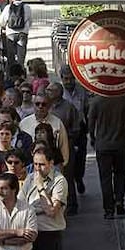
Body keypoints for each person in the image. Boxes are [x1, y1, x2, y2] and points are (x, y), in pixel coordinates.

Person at [88, 94, 125, 219]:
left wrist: (93, 139)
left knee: (105, 178)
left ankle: (109, 209)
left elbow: (91, 124)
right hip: (119, 144)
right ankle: (119, 200)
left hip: (103, 145)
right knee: (120, 174)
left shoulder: (96, 101)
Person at [46, 81, 81, 215]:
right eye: (47, 90)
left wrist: (65, 136)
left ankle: (72, 204)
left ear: (58, 93)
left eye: (51, 90)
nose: (48, 92)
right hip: (48, 149)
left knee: (67, 175)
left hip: (65, 146)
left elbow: (76, 128)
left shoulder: (69, 108)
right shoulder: (46, 107)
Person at [19, 92, 69, 167]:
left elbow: (63, 147)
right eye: (37, 104)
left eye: (44, 104)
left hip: (52, 166)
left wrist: (62, 165)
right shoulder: (24, 123)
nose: (40, 106)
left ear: (49, 106)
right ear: (33, 105)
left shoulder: (57, 123)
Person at [60, 64, 89, 194]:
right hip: (66, 130)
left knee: (81, 157)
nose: (68, 82)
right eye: (66, 79)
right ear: (61, 79)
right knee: (69, 159)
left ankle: (79, 177)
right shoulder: (59, 92)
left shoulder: (81, 90)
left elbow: (86, 108)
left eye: (71, 79)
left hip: (80, 128)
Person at [0, 0, 32, 71]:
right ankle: (20, 73)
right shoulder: (27, 7)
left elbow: (1, 21)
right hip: (23, 33)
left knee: (10, 56)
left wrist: (3, 27)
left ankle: (11, 73)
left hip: (10, 34)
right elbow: (29, 20)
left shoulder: (8, 7)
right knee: (21, 56)